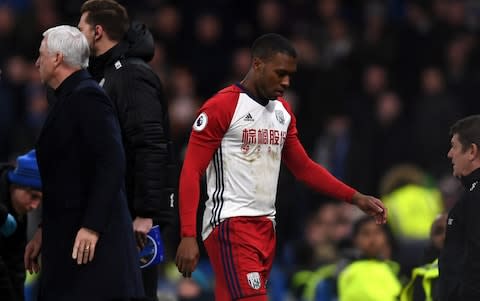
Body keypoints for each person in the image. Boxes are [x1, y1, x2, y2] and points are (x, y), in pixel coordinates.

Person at [175, 33, 387, 301]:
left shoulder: (282, 112)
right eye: (280, 73)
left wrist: (355, 197)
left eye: (290, 75)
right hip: (230, 224)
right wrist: (187, 235)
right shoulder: (222, 106)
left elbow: (305, 168)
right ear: (257, 64)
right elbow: (191, 171)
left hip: (266, 225)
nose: (286, 82)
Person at [24, 25, 143, 300]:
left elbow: (111, 162)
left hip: (92, 247)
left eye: (41, 54)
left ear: (57, 58)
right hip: (69, 238)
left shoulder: (88, 97)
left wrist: (92, 226)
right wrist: (44, 231)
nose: (37, 62)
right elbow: (65, 176)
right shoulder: (67, 97)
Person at [77, 2, 176, 299]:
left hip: (135, 218)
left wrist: (145, 213)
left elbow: (150, 145)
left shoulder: (131, 75)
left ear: (97, 31)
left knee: (137, 293)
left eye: (81, 27)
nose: (76, 33)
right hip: (117, 211)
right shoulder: (106, 73)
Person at [439, 115, 480, 301]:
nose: (449, 154)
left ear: (471, 151)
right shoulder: (471, 192)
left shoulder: (476, 195)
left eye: (454, 146)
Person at [1, 150, 42, 301]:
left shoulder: (17, 210)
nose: (35, 206)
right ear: (16, 185)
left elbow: (15, 262)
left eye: (40, 200)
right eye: (33, 196)